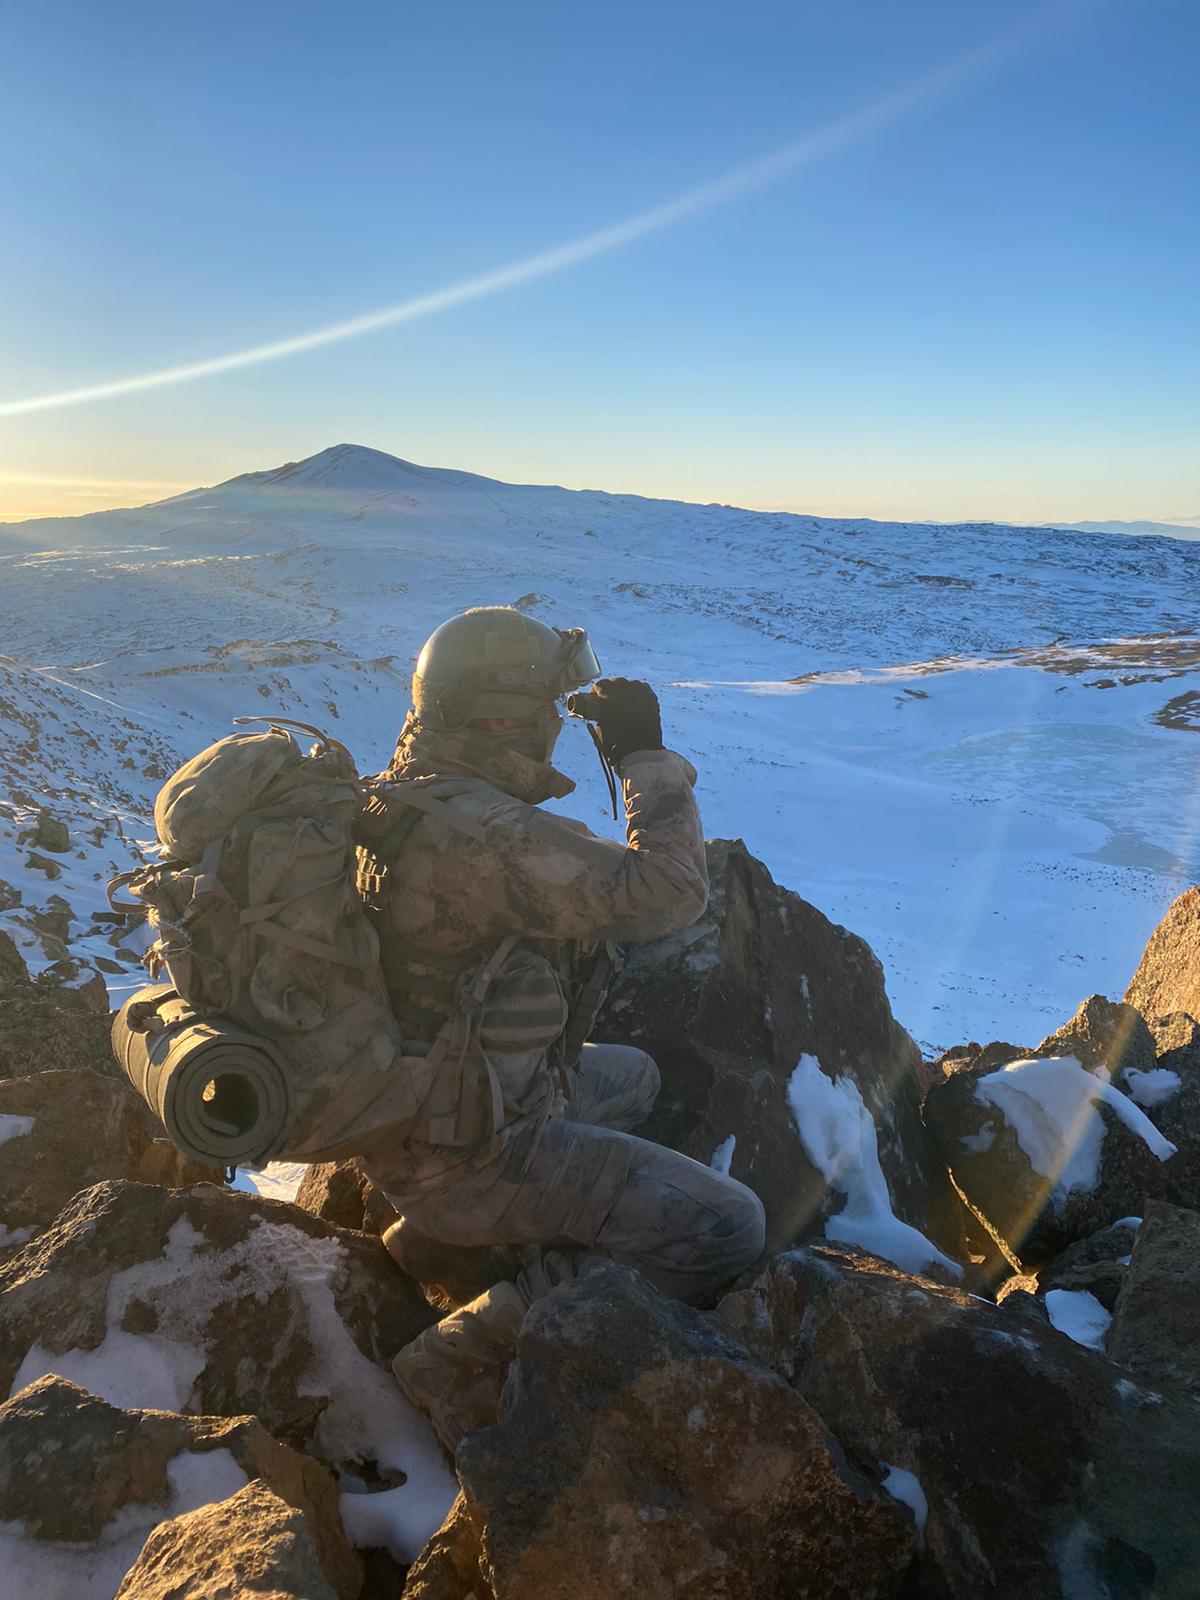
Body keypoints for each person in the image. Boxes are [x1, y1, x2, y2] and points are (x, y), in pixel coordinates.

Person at [352, 607, 765, 1451]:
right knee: (729, 1226)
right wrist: (647, 761)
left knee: (636, 1076)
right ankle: (476, 1341)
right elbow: (667, 895)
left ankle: (431, 1239)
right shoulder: (484, 837)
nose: (554, 724)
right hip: (469, 1152)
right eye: (546, 707)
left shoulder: (408, 786)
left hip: (422, 1108)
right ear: (507, 715)